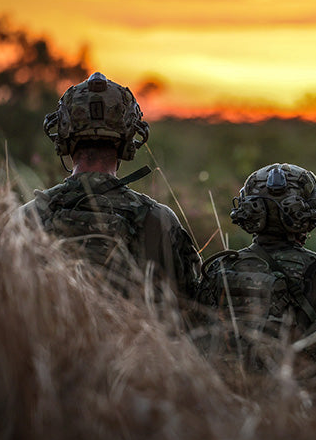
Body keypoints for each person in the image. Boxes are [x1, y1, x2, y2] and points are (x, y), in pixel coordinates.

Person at [196, 163, 316, 391]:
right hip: (310, 419)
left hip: (222, 414)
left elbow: (192, 348)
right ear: (304, 212)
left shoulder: (218, 269)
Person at [20, 71, 199, 299]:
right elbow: (190, 309)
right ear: (129, 138)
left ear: (63, 135)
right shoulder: (159, 220)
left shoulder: (29, 216)